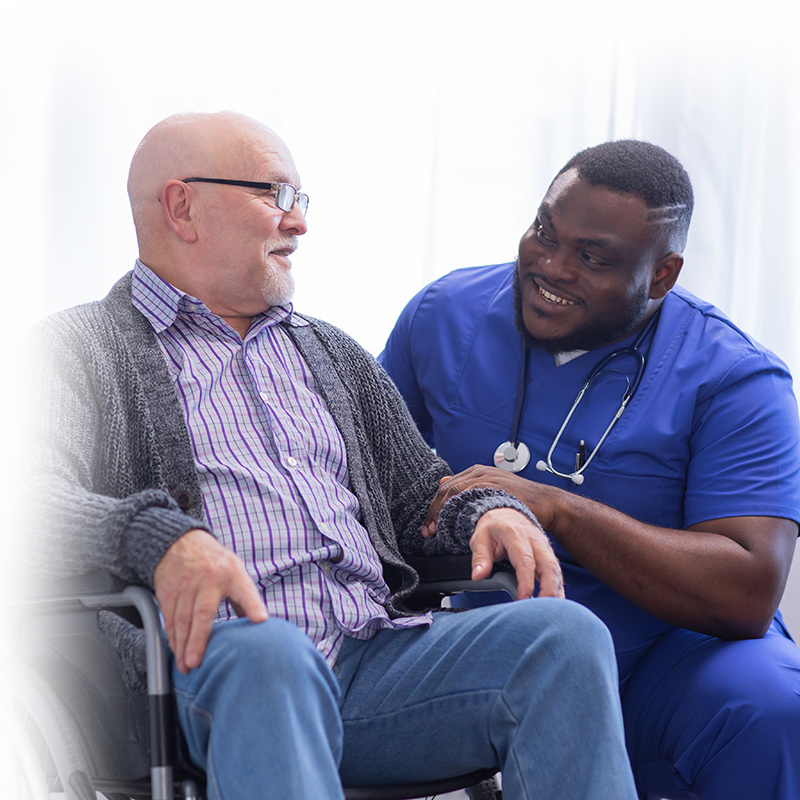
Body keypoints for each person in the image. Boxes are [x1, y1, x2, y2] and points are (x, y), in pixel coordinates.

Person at [0, 111, 638, 800]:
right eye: (274, 195)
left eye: (300, 201)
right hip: (202, 666)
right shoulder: (71, 349)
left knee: (562, 639)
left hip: (373, 660)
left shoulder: (331, 353)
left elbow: (419, 494)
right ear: (183, 207)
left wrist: (485, 512)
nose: (298, 223)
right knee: (273, 655)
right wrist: (163, 539)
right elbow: (23, 502)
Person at [379, 140, 800, 800]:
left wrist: (554, 508)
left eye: (593, 258)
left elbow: (746, 590)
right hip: (497, 639)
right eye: (544, 231)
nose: (549, 266)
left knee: (773, 704)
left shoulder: (737, 378)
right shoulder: (444, 315)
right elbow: (361, 486)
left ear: (662, 276)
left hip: (666, 658)